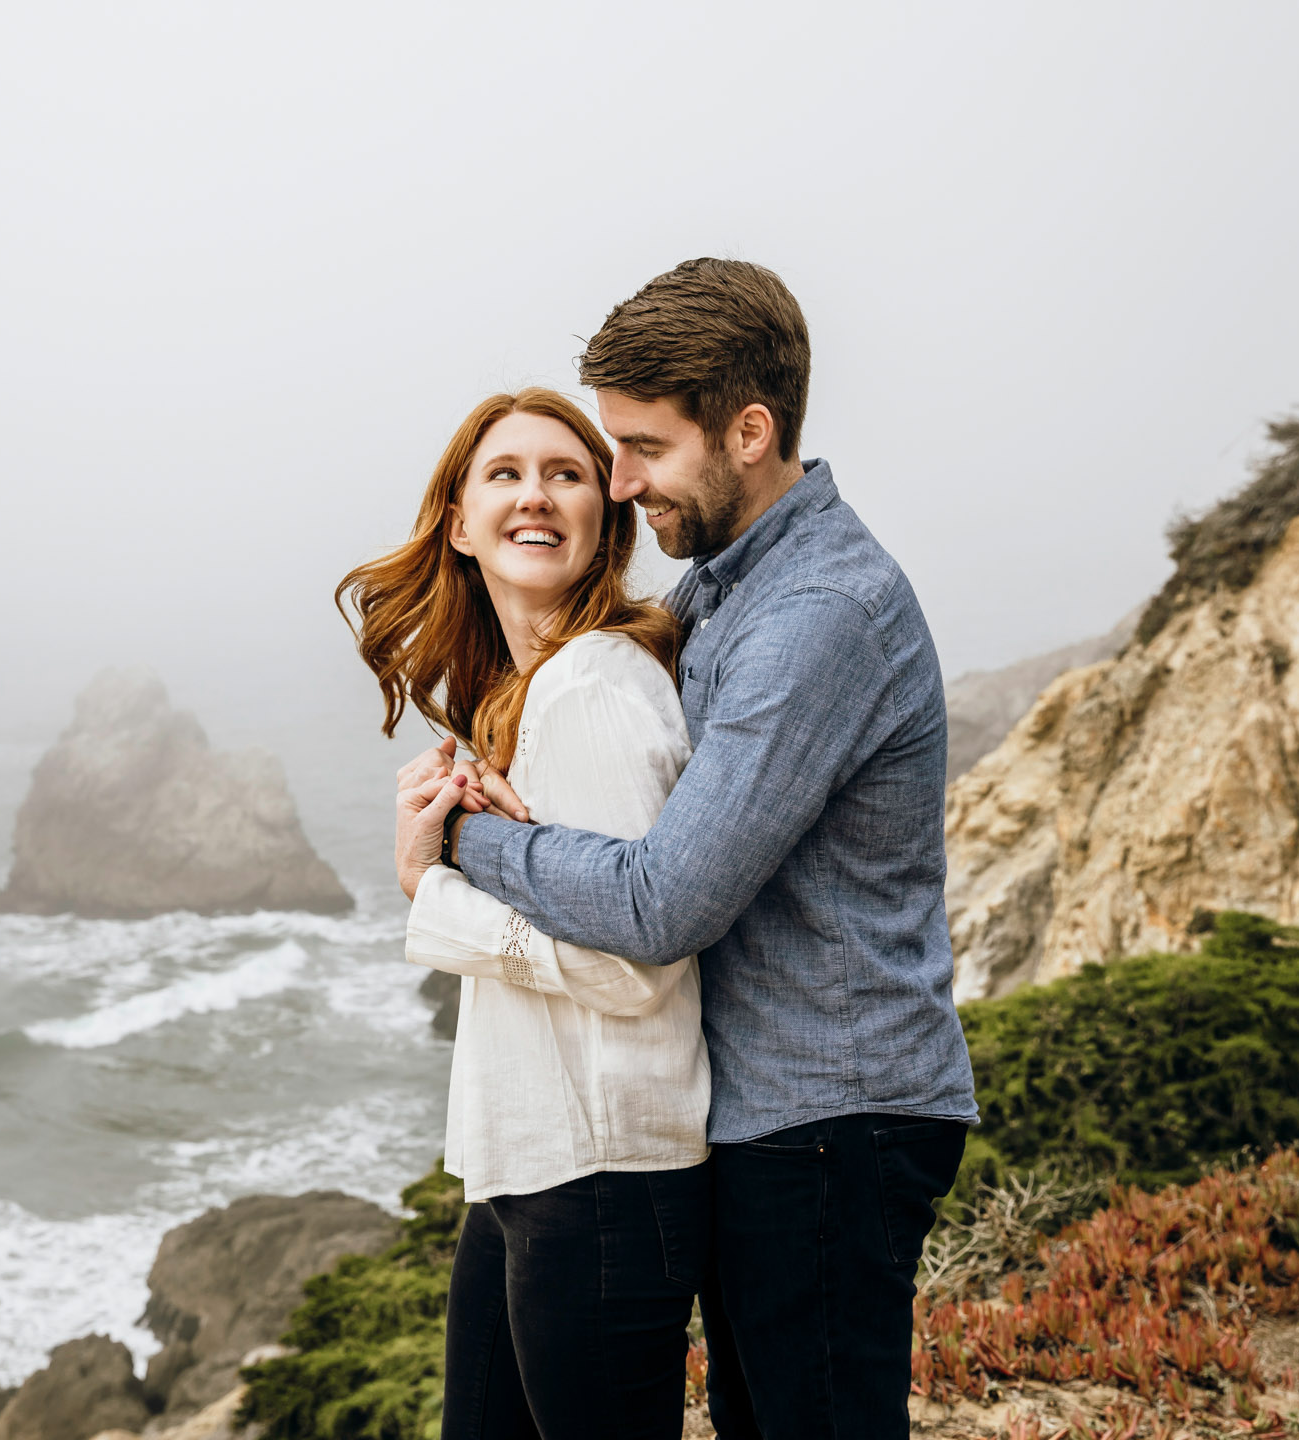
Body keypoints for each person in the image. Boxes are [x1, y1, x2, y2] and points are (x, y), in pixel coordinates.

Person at [395, 259, 978, 1440]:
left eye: (641, 449)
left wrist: (458, 851)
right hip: (773, 1110)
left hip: (833, 1111)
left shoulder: (817, 613)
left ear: (749, 431)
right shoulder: (726, 592)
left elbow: (662, 906)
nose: (618, 483)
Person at [339, 387, 710, 1440]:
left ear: (606, 517)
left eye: (565, 473)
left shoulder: (593, 687)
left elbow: (640, 964)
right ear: (458, 522)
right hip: (535, 1168)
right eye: (504, 473)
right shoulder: (530, 692)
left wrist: (435, 890)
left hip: (602, 1180)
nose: (534, 495)